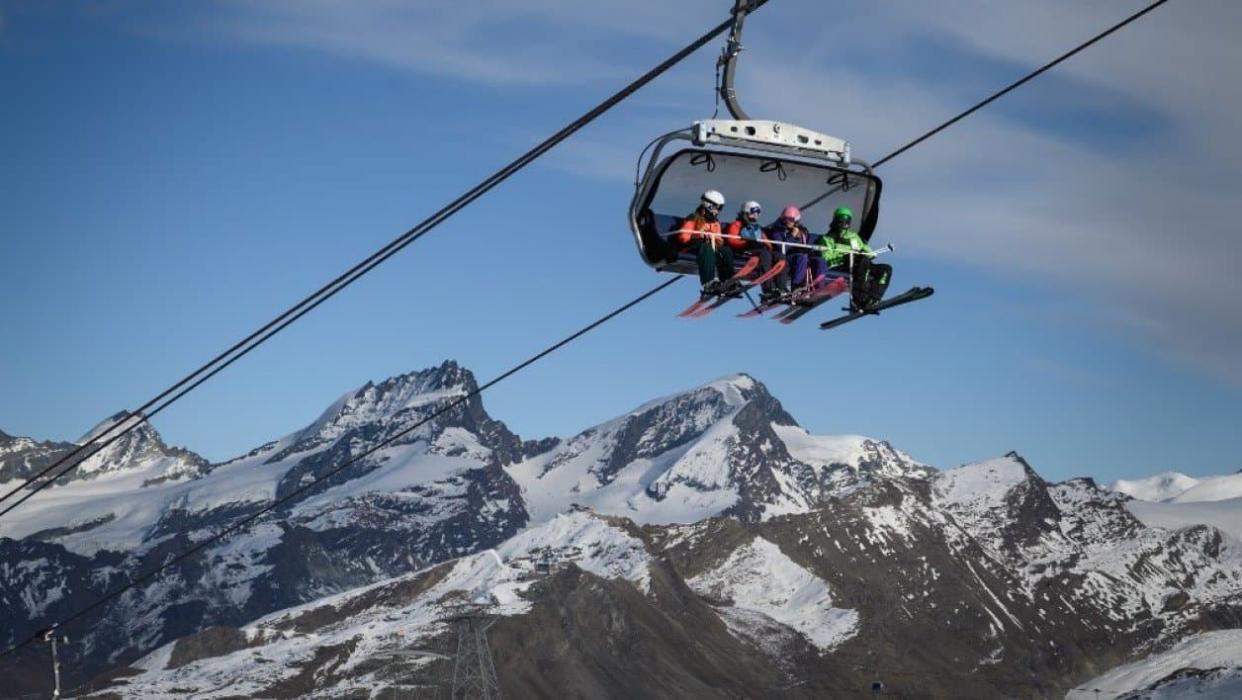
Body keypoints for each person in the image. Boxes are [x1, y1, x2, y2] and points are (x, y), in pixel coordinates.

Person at [817, 206, 891, 307]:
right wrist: (843, 257)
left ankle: (873, 298)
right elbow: (826, 257)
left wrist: (868, 253)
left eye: (847, 220)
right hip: (840, 264)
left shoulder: (853, 237)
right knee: (862, 262)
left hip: (858, 262)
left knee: (885, 269)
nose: (844, 223)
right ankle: (859, 298)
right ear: (836, 221)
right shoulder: (828, 238)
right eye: (841, 220)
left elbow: (866, 249)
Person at [671, 189, 734, 295]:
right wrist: (699, 235)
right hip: (694, 247)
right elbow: (684, 237)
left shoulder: (715, 223)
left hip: (710, 246)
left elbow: (719, 239)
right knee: (707, 248)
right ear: (708, 204)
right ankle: (709, 282)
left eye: (720, 208)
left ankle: (728, 281)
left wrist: (716, 240)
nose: (717, 211)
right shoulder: (694, 218)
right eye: (716, 207)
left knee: (726, 251)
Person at [725, 200, 785, 302]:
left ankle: (780, 288)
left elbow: (766, 242)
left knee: (779, 256)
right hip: (744, 249)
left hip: (758, 249)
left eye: (758, 212)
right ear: (746, 212)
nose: (756, 215)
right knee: (765, 256)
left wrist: (770, 248)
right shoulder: (737, 224)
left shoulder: (757, 228)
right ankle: (767, 289)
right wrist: (747, 243)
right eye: (753, 211)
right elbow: (731, 239)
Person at [768, 205, 814, 293]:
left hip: (795, 256)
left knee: (803, 257)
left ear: (796, 220)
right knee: (788, 260)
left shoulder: (802, 231)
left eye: (791, 220)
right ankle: (782, 288)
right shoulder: (777, 230)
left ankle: (797, 287)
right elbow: (782, 247)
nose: (788, 222)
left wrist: (799, 236)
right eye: (785, 219)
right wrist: (792, 236)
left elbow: (804, 244)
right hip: (782, 256)